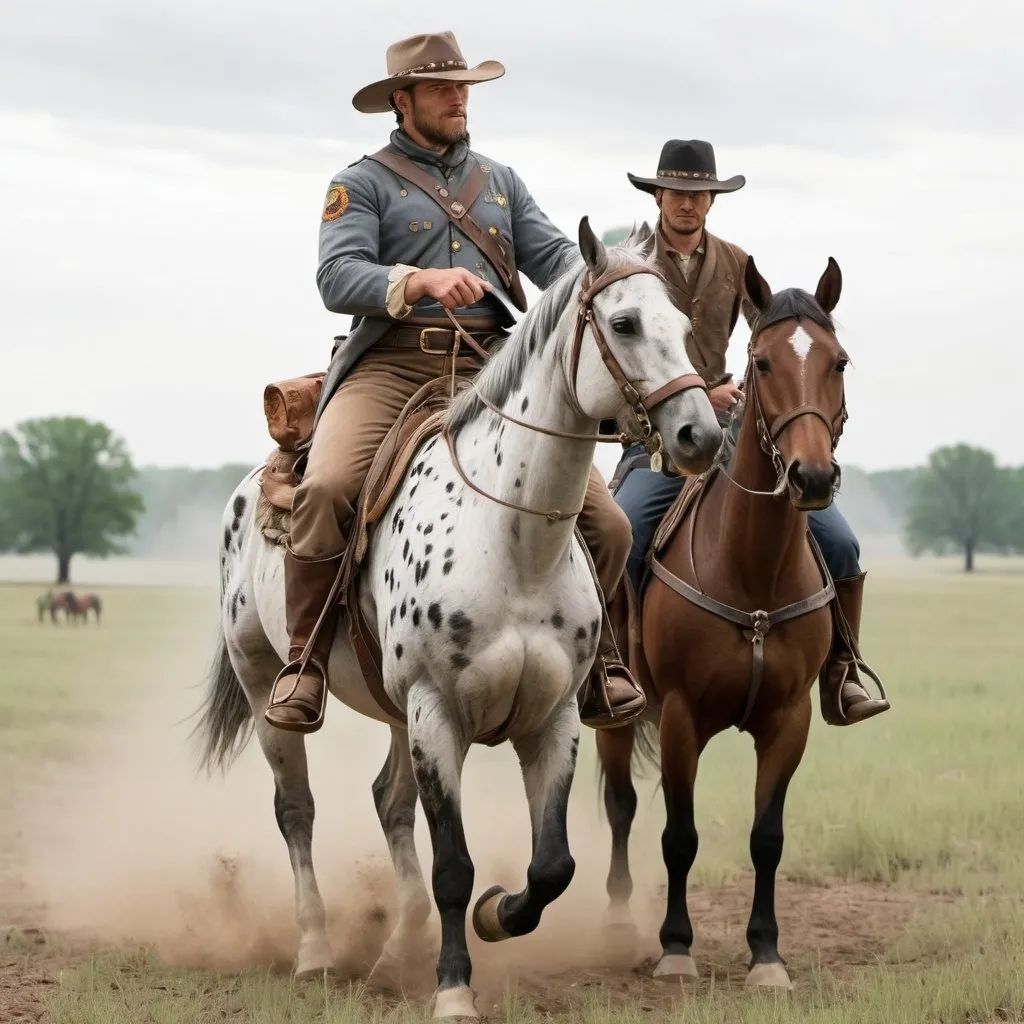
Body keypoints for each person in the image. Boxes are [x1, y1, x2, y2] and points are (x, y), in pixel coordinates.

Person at [264, 31, 646, 735]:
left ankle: (603, 663)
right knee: (323, 491)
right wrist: (416, 279)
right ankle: (304, 662)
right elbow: (335, 277)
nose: (459, 98)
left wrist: (611, 278)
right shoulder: (362, 183)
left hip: (493, 372)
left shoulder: (501, 183)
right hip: (391, 365)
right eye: (444, 88)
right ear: (402, 100)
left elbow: (559, 260)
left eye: (465, 87)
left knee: (610, 524)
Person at [610, 139, 889, 727]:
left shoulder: (737, 263)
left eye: (700, 194)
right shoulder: (628, 262)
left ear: (713, 200)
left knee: (841, 544)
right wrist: (694, 392)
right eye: (679, 193)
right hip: (654, 436)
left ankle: (842, 674)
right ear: (659, 195)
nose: (689, 204)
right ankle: (614, 669)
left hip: (728, 436)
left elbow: (772, 333)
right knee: (623, 535)